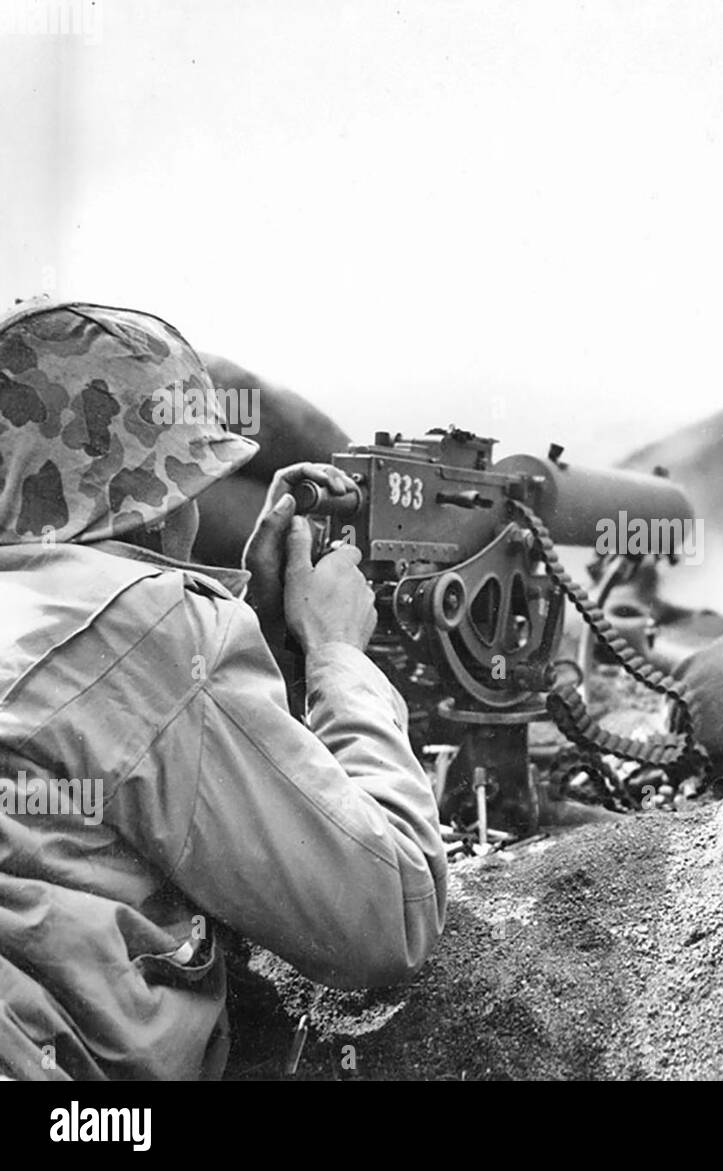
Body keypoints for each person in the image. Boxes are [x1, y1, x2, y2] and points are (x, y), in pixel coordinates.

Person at [0, 299, 447, 1080]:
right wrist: (340, 657)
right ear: (154, 501)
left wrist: (256, 630)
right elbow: (389, 913)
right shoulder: (150, 627)